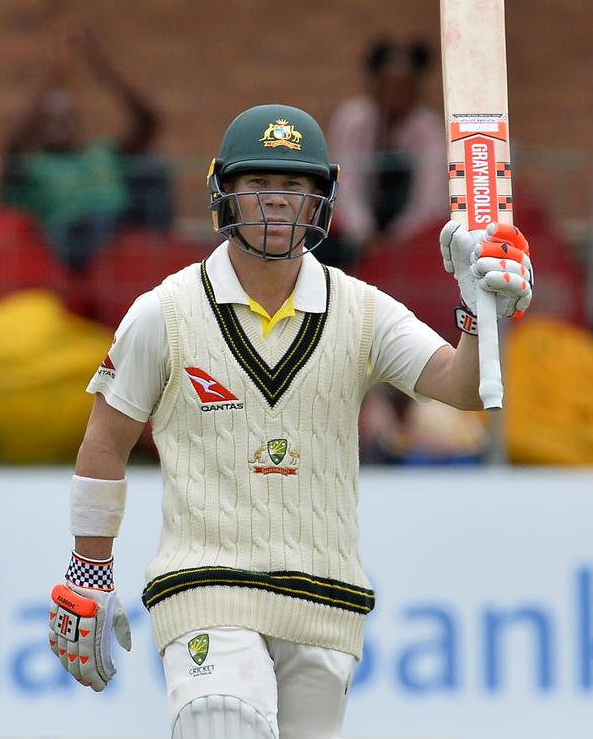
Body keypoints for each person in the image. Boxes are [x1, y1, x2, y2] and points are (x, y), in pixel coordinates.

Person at [48, 103, 533, 739]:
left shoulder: (361, 310)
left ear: (320, 199)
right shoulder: (162, 313)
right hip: (205, 588)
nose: (277, 204)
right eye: (259, 187)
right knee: (219, 721)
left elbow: (463, 388)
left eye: (295, 188)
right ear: (224, 192)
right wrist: (90, 569)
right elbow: (104, 444)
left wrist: (477, 314)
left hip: (326, 602)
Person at [0, 22, 169, 271]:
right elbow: (12, 147)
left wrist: (100, 65)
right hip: (70, 236)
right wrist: (55, 74)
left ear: (79, 123)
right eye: (51, 119)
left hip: (118, 225)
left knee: (152, 165)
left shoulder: (102, 151)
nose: (61, 125)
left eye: (67, 118)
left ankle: (158, 254)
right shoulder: (33, 166)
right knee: (88, 226)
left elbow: (148, 122)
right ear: (38, 125)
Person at [323, 37, 448, 267]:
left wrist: (395, 240)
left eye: (404, 84)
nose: (395, 92)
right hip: (355, 236)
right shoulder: (353, 120)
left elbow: (429, 196)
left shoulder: (428, 127)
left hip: (409, 237)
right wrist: (364, 233)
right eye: (389, 83)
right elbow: (346, 181)